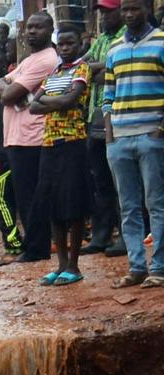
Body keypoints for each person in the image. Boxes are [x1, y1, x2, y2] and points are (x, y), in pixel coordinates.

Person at [105, 0, 164, 286]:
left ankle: (160, 267)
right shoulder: (114, 48)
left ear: (146, 9)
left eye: (135, 9)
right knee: (127, 207)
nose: (129, 14)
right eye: (125, 9)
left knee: (156, 203)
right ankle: (137, 266)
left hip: (152, 136)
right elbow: (108, 94)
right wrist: (109, 134)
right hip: (119, 139)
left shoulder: (162, 42)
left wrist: (160, 130)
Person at [31, 26, 95, 282]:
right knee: (53, 204)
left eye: (70, 44)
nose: (66, 48)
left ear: (79, 44)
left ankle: (74, 265)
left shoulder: (82, 70)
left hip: (73, 142)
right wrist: (56, 101)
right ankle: (60, 264)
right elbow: (33, 107)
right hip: (49, 143)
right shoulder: (55, 72)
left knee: (74, 203)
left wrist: (51, 101)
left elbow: (69, 102)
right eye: (62, 45)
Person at [0, 12, 60, 264]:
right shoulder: (30, 59)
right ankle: (33, 246)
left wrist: (10, 91)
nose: (32, 31)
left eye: (38, 27)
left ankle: (36, 249)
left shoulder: (46, 60)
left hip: (31, 138)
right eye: (29, 27)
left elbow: (5, 93)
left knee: (32, 197)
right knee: (24, 196)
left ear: (50, 30)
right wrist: (10, 90)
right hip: (18, 138)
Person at [87, 0, 128, 258]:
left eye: (107, 11)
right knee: (100, 181)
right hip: (96, 117)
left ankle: (126, 236)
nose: (103, 17)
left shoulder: (127, 37)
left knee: (122, 183)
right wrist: (100, 69)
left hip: (119, 116)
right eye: (101, 12)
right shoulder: (101, 40)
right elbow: (85, 69)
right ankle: (101, 236)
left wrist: (101, 69)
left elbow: (111, 72)